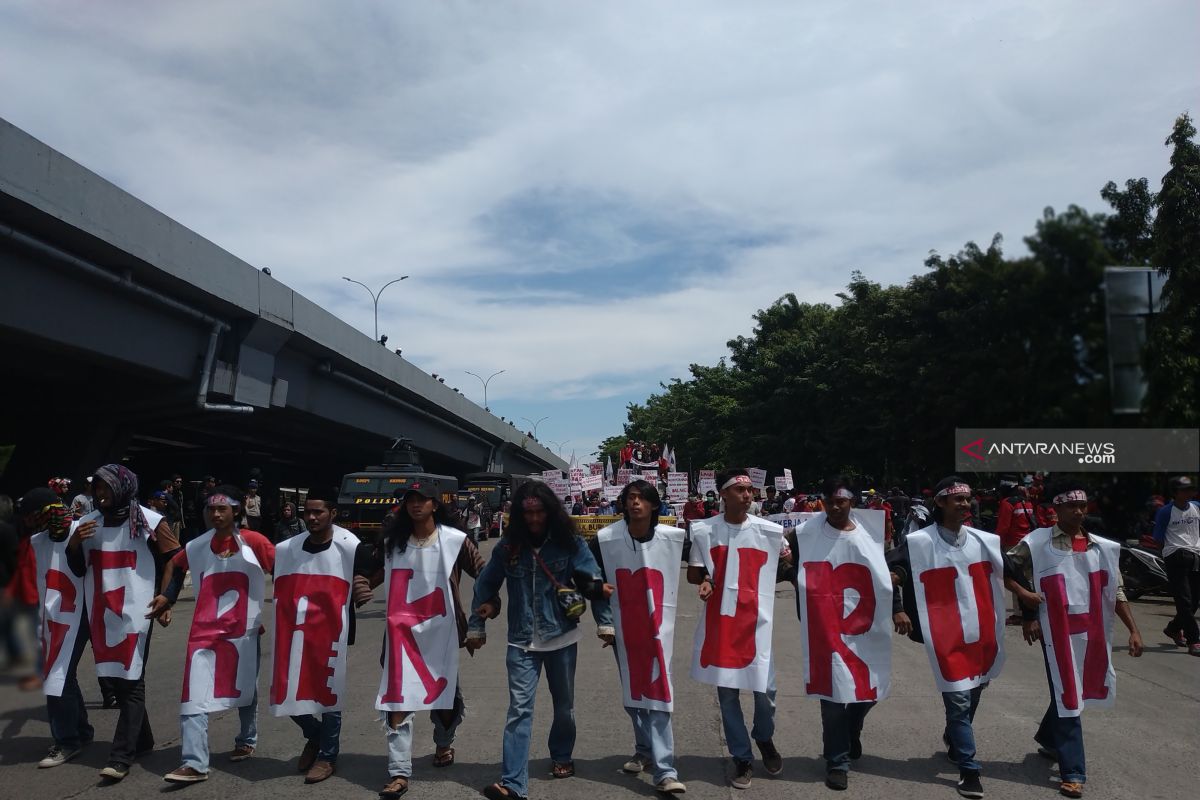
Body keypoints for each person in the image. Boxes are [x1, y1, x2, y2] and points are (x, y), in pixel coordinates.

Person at [887, 477, 1039, 799]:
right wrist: (897, 607)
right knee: (957, 697)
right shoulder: (918, 543)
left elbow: (1012, 574)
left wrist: (1029, 614)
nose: (965, 504)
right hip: (944, 636)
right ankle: (969, 769)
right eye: (957, 499)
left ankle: (955, 739)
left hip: (983, 633)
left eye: (968, 498)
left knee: (974, 691)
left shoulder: (986, 541)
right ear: (940, 503)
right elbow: (892, 573)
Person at [466, 480, 611, 800]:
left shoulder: (570, 542)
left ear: (550, 511)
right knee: (519, 709)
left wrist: (606, 622)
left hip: (562, 638)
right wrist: (477, 624)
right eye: (527, 512)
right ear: (519, 514)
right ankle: (513, 784)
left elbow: (593, 580)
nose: (533, 519)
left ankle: (561, 755)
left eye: (539, 511)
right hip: (521, 642)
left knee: (564, 708)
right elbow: (484, 586)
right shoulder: (508, 547)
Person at [358, 481, 495, 800]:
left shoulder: (454, 541)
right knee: (397, 703)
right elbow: (371, 571)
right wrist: (360, 584)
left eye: (422, 500)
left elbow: (485, 574)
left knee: (445, 704)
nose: (416, 505)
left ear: (435, 505)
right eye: (410, 500)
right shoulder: (394, 543)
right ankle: (399, 772)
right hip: (400, 637)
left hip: (441, 636)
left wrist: (481, 614)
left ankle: (444, 741)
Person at [1008, 484, 1144, 799]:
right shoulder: (1036, 542)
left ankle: (1049, 737)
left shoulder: (1102, 548)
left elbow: (1115, 592)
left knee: (1070, 688)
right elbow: (1004, 568)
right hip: (1054, 632)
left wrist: (1134, 630)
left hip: (1089, 630)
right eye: (1071, 506)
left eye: (1083, 505)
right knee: (1069, 690)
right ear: (1056, 509)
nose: (1079, 511)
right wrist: (1027, 606)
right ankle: (1073, 772)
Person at [148, 486, 275, 783]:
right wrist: (167, 597)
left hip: (243, 631)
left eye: (222, 509)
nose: (216, 514)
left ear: (236, 511)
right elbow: (178, 568)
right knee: (193, 694)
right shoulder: (197, 545)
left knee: (245, 688)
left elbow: (282, 567)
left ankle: (247, 738)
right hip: (204, 632)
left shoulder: (254, 541)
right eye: (211, 509)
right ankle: (194, 762)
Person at [65, 464, 181, 781]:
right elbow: (77, 569)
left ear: (123, 487)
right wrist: (74, 545)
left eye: (106, 487)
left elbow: (175, 558)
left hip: (137, 608)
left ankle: (120, 756)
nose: (100, 494)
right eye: (97, 488)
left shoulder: (150, 521)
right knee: (115, 678)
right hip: (101, 610)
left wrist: (167, 596)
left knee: (130, 680)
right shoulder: (87, 524)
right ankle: (142, 739)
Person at [687, 469, 789, 789]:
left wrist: (785, 563)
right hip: (721, 625)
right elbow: (694, 571)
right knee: (728, 694)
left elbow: (786, 561)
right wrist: (704, 580)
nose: (747, 495)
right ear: (723, 495)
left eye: (750, 490)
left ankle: (763, 737)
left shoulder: (769, 531)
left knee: (766, 692)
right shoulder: (704, 530)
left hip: (756, 624)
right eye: (740, 489)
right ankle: (742, 757)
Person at [787, 476, 889, 792]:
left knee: (867, 690)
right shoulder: (803, 535)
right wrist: (792, 571)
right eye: (829, 501)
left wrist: (897, 605)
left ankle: (851, 728)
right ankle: (837, 762)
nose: (834, 507)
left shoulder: (871, 533)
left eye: (841, 501)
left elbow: (883, 573)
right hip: (823, 626)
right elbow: (782, 564)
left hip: (865, 626)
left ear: (852, 502)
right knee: (832, 696)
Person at [269, 486, 373, 784]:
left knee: (328, 692)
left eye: (319, 512)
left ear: (333, 514)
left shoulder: (351, 546)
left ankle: (328, 755)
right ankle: (314, 737)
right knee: (286, 691)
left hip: (333, 630)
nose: (312, 517)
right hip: (294, 630)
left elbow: (373, 570)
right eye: (308, 512)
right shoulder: (288, 548)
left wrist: (363, 583)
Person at [589, 480, 687, 794]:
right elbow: (591, 580)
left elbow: (702, 562)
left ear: (654, 505)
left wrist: (708, 578)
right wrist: (604, 618)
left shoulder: (672, 539)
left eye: (642, 498)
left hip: (658, 631)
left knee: (657, 693)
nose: (635, 503)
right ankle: (645, 750)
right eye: (630, 498)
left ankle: (665, 771)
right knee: (634, 696)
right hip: (623, 629)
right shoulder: (604, 541)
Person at [24, 488, 90, 767]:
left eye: (38, 515)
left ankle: (66, 742)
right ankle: (81, 732)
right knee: (64, 674)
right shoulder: (36, 541)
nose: (34, 522)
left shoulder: (83, 530)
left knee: (57, 674)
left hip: (82, 615)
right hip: (53, 618)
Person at [1152, 476, 1200, 654]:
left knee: (1194, 600)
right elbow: (1158, 538)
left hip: (1196, 555)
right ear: (1175, 493)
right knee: (1184, 601)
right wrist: (1168, 555)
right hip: (1176, 556)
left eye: (1191, 489)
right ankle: (1194, 640)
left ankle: (1173, 628)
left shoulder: (1196, 507)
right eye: (1185, 490)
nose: (1190, 493)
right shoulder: (1166, 511)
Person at [995, 483, 1037, 625]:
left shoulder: (1007, 503)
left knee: (1014, 578)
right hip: (1029, 542)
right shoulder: (1027, 502)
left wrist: (995, 542)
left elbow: (1004, 526)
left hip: (1013, 544)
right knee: (1029, 576)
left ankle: (1020, 613)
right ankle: (1033, 606)